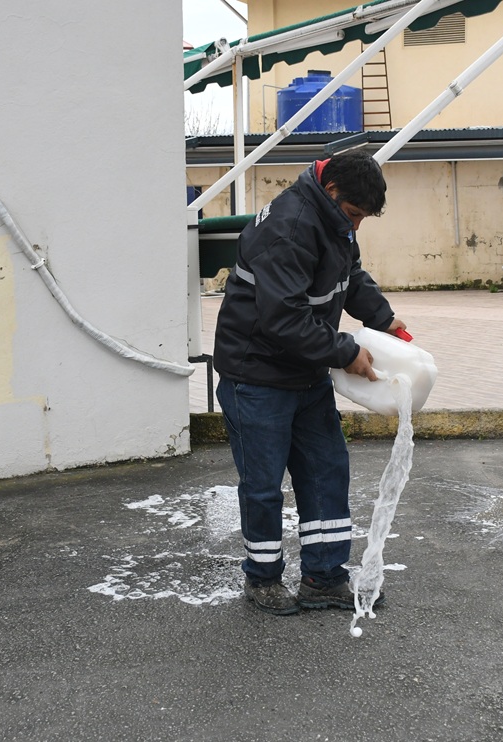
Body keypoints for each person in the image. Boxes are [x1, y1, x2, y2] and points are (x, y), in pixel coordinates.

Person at [213, 148, 407, 615]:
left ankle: (323, 577)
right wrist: (347, 353)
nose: (356, 226)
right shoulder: (289, 226)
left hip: (303, 372)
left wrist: (387, 322)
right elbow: (283, 319)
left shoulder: (332, 217)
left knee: (325, 471)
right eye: (354, 215)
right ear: (333, 189)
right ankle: (262, 579)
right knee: (263, 484)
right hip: (255, 375)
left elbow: (348, 276)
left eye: (363, 220)